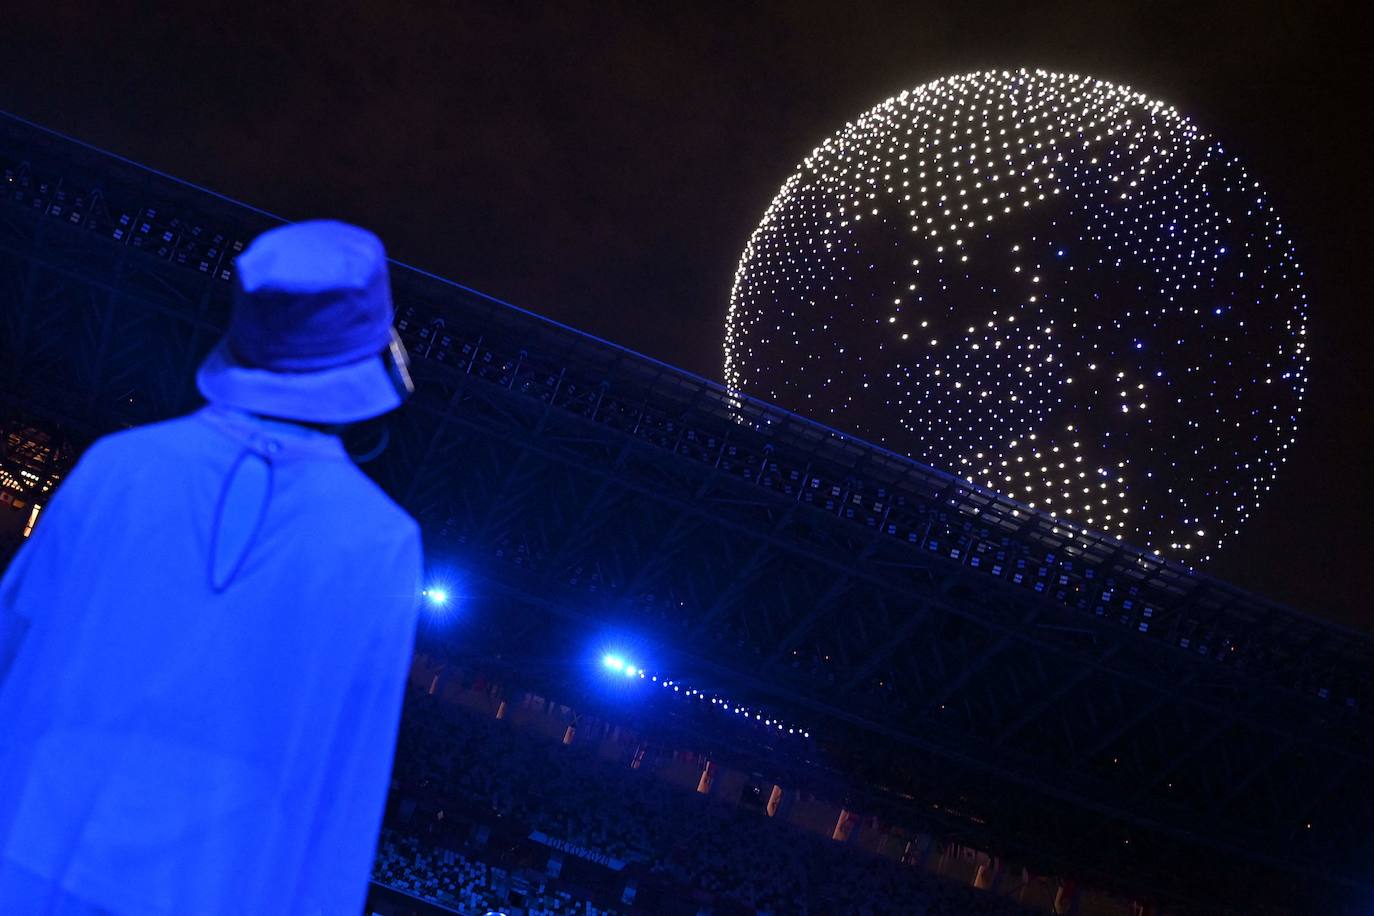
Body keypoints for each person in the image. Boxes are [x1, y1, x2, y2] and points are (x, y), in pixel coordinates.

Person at [0, 220, 424, 915]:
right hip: (216, 885)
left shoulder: (119, 467)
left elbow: (12, 648)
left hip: (34, 848)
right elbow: (348, 780)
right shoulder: (380, 544)